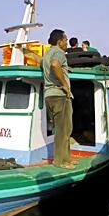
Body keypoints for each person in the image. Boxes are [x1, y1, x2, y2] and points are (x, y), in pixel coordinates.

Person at [42, 29, 75, 169]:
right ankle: (60, 161)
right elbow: (55, 64)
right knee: (62, 131)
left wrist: (66, 69)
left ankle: (67, 159)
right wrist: (64, 85)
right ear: (59, 41)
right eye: (65, 40)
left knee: (65, 129)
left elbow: (50, 65)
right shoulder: (59, 52)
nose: (67, 43)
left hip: (50, 95)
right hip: (59, 95)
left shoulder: (47, 53)